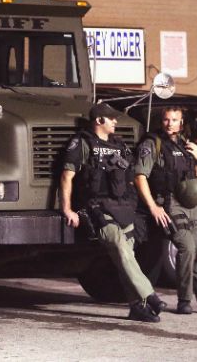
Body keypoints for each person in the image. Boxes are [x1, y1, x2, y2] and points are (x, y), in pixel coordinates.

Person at [60, 103, 167, 323]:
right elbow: (66, 177)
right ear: (99, 121)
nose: (116, 122)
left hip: (122, 208)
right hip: (96, 208)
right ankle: (148, 295)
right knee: (119, 245)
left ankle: (137, 306)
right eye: (111, 119)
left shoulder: (119, 145)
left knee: (126, 256)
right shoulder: (82, 143)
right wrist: (67, 209)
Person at [134, 107, 197, 316]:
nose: (170, 123)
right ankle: (185, 299)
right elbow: (140, 176)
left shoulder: (185, 144)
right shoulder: (152, 144)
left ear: (181, 123)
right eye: (166, 119)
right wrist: (153, 207)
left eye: (175, 120)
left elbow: (192, 174)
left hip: (191, 203)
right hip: (169, 202)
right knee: (187, 247)